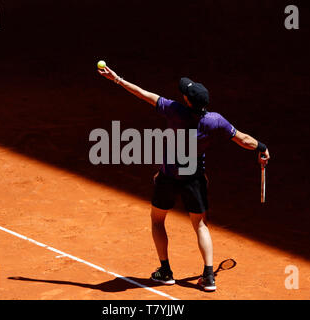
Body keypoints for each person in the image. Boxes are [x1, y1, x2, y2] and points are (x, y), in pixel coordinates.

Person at [98, 66, 270, 291]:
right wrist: (262, 148)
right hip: (195, 178)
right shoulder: (215, 121)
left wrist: (117, 79)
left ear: (188, 101)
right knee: (200, 224)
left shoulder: (173, 109)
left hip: (168, 176)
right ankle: (209, 276)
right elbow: (242, 139)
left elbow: (142, 93)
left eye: (185, 93)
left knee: (157, 220)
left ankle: (165, 270)